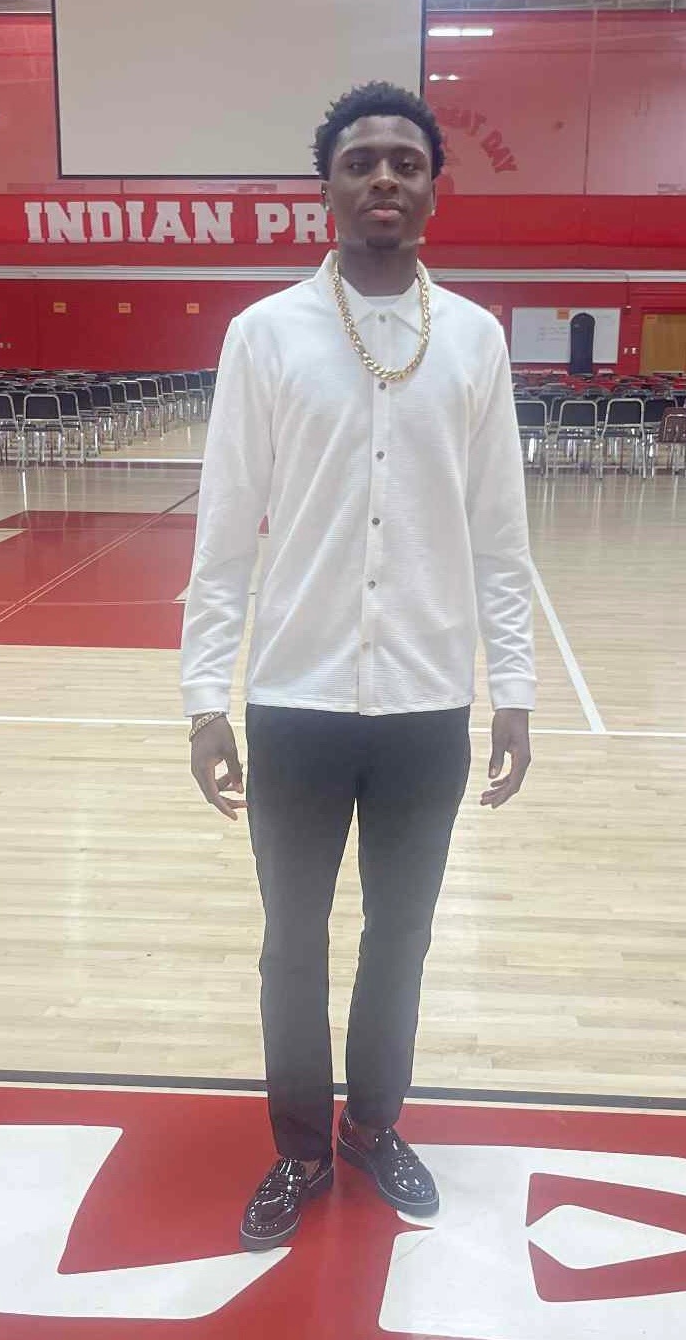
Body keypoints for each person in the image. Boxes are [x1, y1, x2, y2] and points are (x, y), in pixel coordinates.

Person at [180, 82, 535, 1252]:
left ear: (434, 188)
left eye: (405, 160)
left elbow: (500, 536)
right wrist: (204, 698)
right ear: (325, 188)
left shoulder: (474, 340)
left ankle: (374, 1123)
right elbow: (223, 534)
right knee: (292, 940)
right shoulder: (265, 334)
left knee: (402, 935)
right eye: (361, 159)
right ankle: (298, 1145)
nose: (384, 175)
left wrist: (515, 689)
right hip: (294, 698)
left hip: (428, 702)